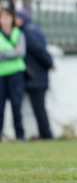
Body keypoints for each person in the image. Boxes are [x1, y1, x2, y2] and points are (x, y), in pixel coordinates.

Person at [15, 9, 54, 140]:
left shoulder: (27, 31)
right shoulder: (32, 28)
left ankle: (46, 135)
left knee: (39, 108)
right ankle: (46, 134)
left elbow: (39, 50)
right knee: (39, 108)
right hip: (38, 76)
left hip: (35, 76)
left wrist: (50, 63)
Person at [0, 4, 26, 140]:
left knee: (17, 105)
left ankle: (20, 136)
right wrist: (13, 51)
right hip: (1, 74)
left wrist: (4, 53)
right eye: (2, 17)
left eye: (7, 17)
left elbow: (21, 52)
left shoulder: (18, 33)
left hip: (16, 73)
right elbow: (16, 52)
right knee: (0, 107)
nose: (5, 20)